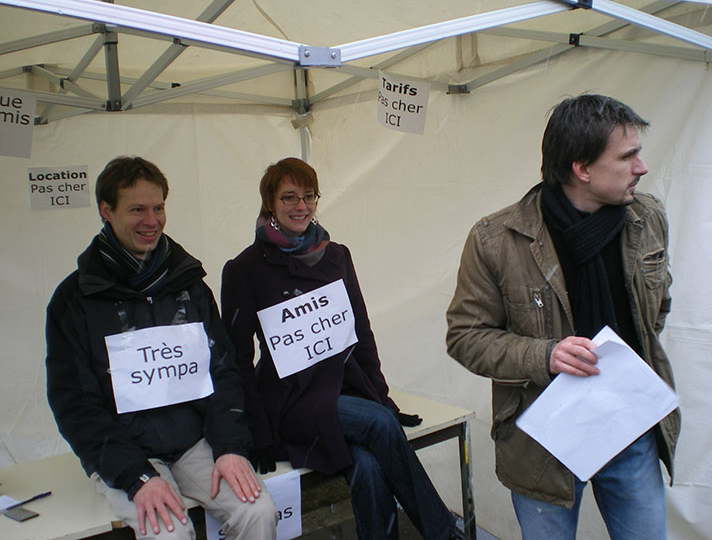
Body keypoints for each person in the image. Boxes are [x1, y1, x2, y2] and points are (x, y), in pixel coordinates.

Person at [446, 94, 680, 540]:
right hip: (544, 445)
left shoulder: (646, 218)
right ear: (582, 168)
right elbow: (466, 337)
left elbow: (658, 307)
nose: (642, 167)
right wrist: (546, 355)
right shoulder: (497, 240)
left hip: (630, 425)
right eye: (628, 155)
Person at [221, 157, 466, 540]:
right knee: (378, 424)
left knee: (368, 464)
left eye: (308, 196)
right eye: (289, 197)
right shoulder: (244, 269)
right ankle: (443, 533)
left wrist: (380, 395)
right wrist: (258, 430)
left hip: (343, 388)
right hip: (290, 400)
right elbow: (236, 358)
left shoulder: (337, 256)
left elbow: (361, 332)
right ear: (269, 202)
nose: (301, 206)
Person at [46, 156, 277, 540]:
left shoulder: (188, 283)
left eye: (158, 208)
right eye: (137, 209)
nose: (151, 220)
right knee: (168, 532)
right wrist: (137, 476)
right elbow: (75, 405)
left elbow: (222, 371)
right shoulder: (74, 300)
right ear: (106, 211)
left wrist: (231, 447)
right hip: (127, 451)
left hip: (193, 441)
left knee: (259, 511)